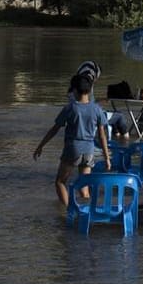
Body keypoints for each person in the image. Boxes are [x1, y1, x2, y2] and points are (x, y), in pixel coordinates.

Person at [33, 73, 111, 207]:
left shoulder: (70, 108)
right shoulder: (97, 109)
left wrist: (40, 146)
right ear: (89, 90)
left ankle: (68, 211)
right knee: (83, 186)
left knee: (60, 182)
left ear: (75, 90)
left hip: (73, 149)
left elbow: (55, 129)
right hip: (89, 150)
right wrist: (107, 158)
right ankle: (86, 213)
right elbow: (102, 136)